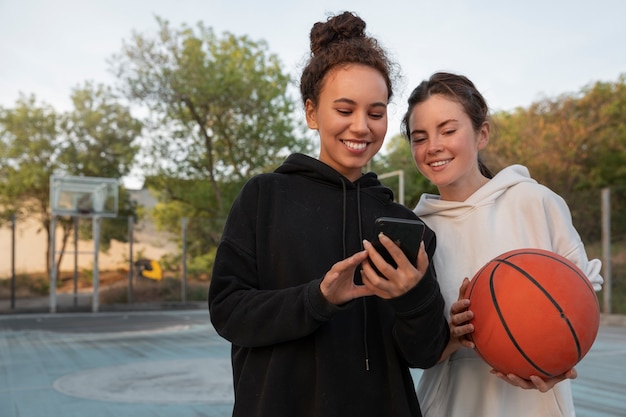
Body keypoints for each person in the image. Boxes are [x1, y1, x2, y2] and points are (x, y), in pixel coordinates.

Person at [208, 12, 449, 417]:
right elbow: (229, 313)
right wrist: (318, 298)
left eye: (375, 113)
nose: (361, 127)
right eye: (344, 109)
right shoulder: (264, 196)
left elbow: (423, 353)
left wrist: (415, 298)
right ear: (311, 113)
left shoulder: (406, 226)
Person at [401, 71, 604, 417]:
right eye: (419, 137)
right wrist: (453, 333)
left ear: (482, 133)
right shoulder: (416, 231)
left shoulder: (535, 201)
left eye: (448, 130)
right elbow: (416, 346)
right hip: (451, 405)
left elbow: (580, 299)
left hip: (535, 406)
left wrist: (556, 362)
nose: (433, 146)